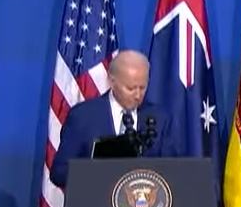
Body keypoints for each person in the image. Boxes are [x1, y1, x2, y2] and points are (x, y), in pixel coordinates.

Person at [51, 50, 177, 188]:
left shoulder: (160, 118)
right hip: (97, 198)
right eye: (130, 88)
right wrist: (98, 171)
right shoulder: (83, 117)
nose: (137, 95)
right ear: (112, 82)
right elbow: (59, 173)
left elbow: (172, 170)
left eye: (142, 88)